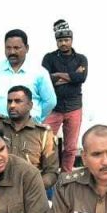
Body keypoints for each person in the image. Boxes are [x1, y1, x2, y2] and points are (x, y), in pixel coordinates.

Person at [0, 86, 60, 191]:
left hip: (29, 191)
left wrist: (34, 187)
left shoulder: (43, 134)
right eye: (9, 101)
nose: (12, 105)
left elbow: (51, 173)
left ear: (30, 105)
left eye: (18, 101)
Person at [41, 19, 88, 174]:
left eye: (66, 40)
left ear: (71, 40)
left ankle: (66, 176)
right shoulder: (49, 58)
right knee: (46, 142)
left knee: (71, 147)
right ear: (56, 42)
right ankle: (49, 174)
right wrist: (71, 76)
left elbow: (81, 78)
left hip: (74, 107)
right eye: (60, 40)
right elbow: (46, 79)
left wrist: (58, 75)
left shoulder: (81, 59)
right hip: (53, 107)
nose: (64, 43)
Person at [0, 29, 57, 120]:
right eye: (8, 48)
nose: (12, 52)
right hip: (2, 124)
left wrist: (35, 118)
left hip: (29, 126)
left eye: (16, 48)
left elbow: (50, 102)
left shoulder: (39, 72)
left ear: (27, 48)